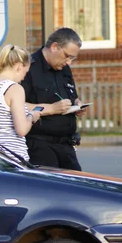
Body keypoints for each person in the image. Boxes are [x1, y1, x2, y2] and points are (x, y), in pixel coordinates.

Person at [21, 27, 86, 171]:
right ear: (54, 47)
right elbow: (17, 105)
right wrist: (51, 109)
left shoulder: (64, 69)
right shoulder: (29, 68)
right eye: (67, 56)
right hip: (40, 145)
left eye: (72, 58)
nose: (69, 62)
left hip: (66, 145)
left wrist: (77, 104)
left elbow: (71, 94)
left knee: (78, 187)